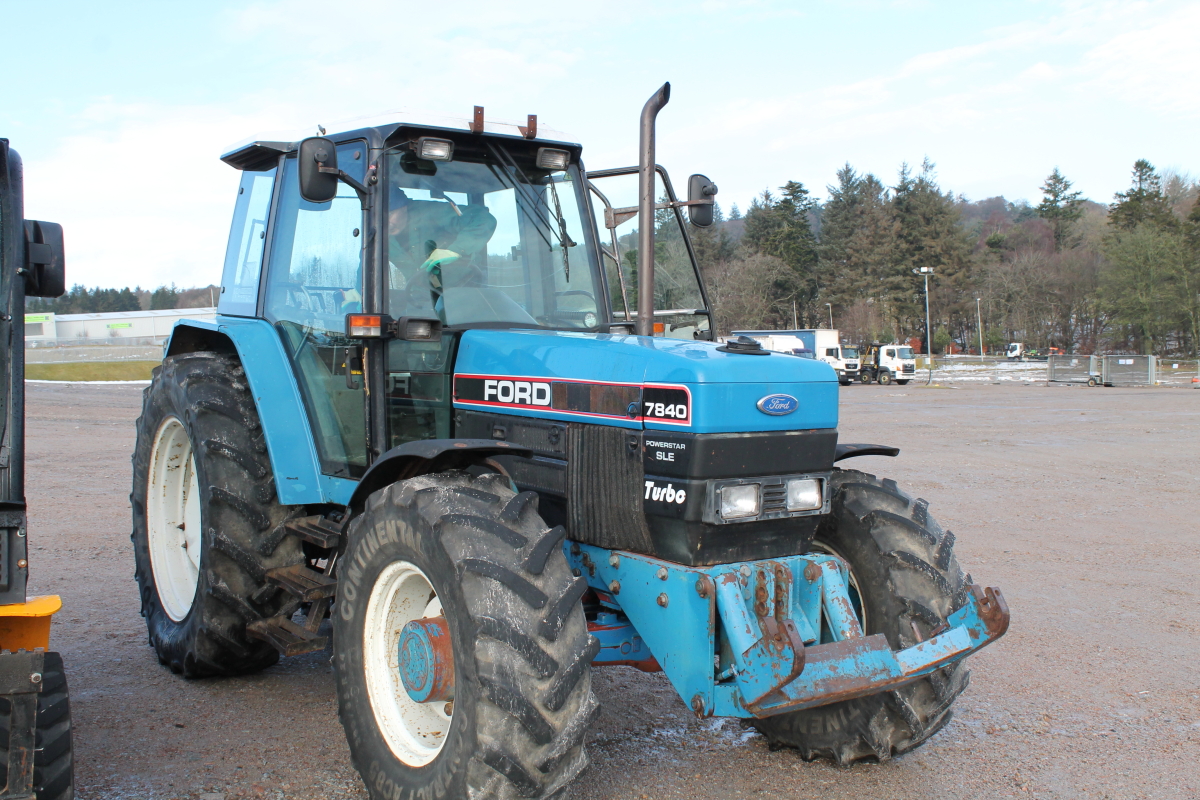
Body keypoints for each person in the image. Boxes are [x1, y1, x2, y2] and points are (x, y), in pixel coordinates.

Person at [387, 185, 497, 317]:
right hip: (421, 298)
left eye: (390, 214)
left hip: (466, 290)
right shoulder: (380, 232)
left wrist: (456, 250)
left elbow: (483, 219)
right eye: (380, 216)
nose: (387, 223)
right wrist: (361, 291)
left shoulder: (429, 213)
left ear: (403, 207)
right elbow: (368, 261)